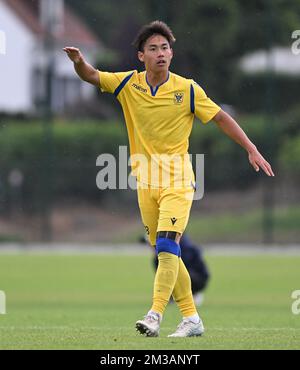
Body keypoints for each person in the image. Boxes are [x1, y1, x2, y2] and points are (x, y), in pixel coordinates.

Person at [63, 20, 274, 338]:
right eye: (153, 48)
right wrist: (79, 62)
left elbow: (220, 117)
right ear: (141, 56)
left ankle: (155, 314)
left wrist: (251, 148)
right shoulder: (127, 85)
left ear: (171, 54)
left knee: (166, 245)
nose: (160, 53)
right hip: (145, 184)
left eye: (165, 48)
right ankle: (192, 318)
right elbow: (92, 76)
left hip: (178, 180)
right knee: (166, 253)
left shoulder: (188, 89)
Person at [148, 233, 210, 306]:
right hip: (181, 275)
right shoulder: (160, 255)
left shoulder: (187, 248)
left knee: (175, 271)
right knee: (166, 271)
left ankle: (191, 294)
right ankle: (171, 295)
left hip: (195, 278)